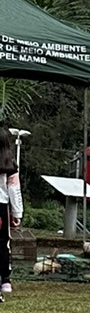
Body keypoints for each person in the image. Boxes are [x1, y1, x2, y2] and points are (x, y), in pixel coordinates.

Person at [0, 127, 20, 299]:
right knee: (2, 244)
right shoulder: (9, 164)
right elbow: (14, 189)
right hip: (1, 206)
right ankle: (5, 280)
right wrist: (17, 213)